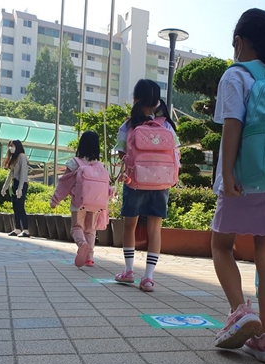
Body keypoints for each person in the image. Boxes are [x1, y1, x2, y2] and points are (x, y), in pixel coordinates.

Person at [211, 8, 265, 363]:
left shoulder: (236, 76)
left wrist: (228, 173)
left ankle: (240, 311)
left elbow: (233, 124)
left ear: (239, 42)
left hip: (244, 178)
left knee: (220, 245)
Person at [113, 79, 179, 292]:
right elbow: (176, 153)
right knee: (155, 228)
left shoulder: (129, 125)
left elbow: (122, 153)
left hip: (135, 182)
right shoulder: (167, 125)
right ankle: (148, 278)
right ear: (157, 102)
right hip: (161, 184)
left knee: (130, 225)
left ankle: (129, 270)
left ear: (135, 98)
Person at [50, 131, 113, 268]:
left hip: (79, 203)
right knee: (90, 230)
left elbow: (64, 184)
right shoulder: (100, 166)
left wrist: (55, 200)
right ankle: (89, 258)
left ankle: (82, 244)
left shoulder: (75, 163)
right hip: (96, 204)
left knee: (76, 227)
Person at [1, 139, 30, 238]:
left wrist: (20, 188)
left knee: (20, 206)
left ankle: (25, 230)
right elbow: (10, 174)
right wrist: (5, 187)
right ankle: (17, 228)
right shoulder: (14, 158)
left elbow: (23, 173)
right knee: (15, 207)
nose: (10, 148)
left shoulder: (22, 156)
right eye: (9, 146)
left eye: (12, 146)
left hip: (21, 183)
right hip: (15, 183)